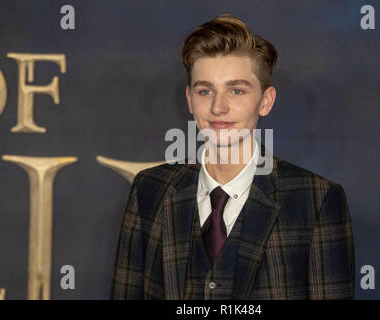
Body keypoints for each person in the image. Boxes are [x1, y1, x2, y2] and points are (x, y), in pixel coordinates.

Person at [111, 13, 355, 299]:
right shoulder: (150, 190)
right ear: (190, 100)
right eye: (205, 91)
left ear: (266, 101)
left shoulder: (316, 200)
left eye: (236, 90)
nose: (218, 108)